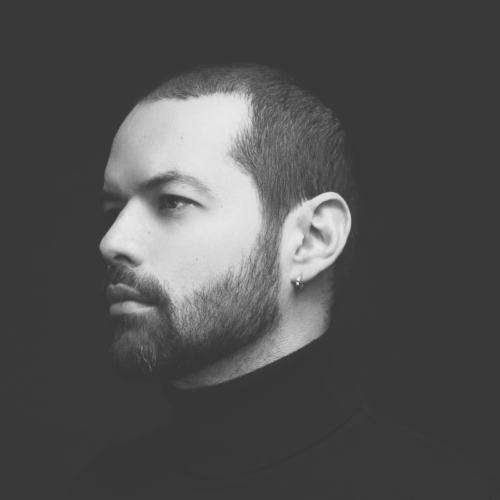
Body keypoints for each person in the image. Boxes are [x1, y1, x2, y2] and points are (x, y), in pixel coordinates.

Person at [66, 64, 500, 499]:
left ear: (313, 240)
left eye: (172, 202)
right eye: (113, 209)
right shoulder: (96, 488)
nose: (112, 240)